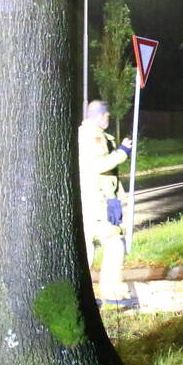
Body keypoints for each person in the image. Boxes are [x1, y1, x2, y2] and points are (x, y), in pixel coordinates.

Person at [78, 100, 135, 306]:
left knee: (87, 250)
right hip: (97, 200)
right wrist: (122, 153)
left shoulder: (91, 134)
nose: (108, 119)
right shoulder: (92, 136)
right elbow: (98, 165)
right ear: (101, 116)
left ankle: (81, 296)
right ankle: (111, 294)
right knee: (114, 244)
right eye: (107, 116)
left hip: (97, 199)